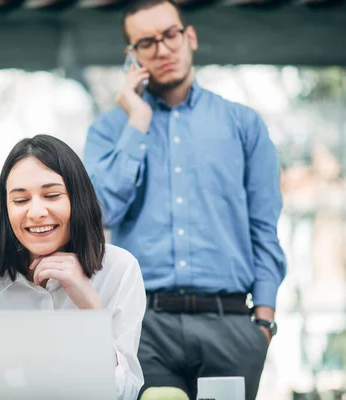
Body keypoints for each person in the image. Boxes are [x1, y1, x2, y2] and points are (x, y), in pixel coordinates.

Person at [82, 1, 287, 399]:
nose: (162, 49)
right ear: (133, 57)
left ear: (189, 36)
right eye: (146, 42)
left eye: (170, 35)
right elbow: (101, 212)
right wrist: (137, 121)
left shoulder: (244, 125)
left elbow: (264, 225)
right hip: (145, 326)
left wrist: (263, 321)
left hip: (230, 326)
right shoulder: (109, 131)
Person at [0, 134, 146, 400]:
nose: (36, 212)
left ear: (77, 199)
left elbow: (124, 393)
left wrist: (92, 310)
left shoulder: (120, 269)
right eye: (20, 200)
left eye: (52, 195)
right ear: (5, 209)